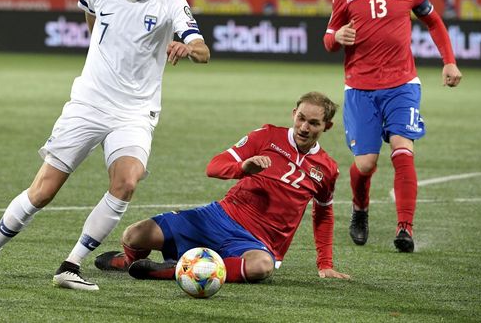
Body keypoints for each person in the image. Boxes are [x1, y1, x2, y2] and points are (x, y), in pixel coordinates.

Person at [0, 0, 211, 291]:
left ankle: (71, 265)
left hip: (135, 112)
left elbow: (203, 49)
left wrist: (188, 49)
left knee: (126, 183)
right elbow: (91, 15)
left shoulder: (172, 1)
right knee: (43, 190)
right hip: (89, 103)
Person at [94, 92, 350, 283]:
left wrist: (325, 263)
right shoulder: (266, 137)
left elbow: (324, 214)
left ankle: (173, 270)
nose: (304, 127)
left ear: (327, 126)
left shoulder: (327, 169)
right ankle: (129, 261)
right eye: (301, 118)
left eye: (314, 123)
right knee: (134, 235)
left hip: (256, 242)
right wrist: (242, 169)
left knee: (261, 267)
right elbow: (214, 166)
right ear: (294, 113)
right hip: (219, 217)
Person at [323, 0, 462, 253]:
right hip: (359, 90)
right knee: (366, 164)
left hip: (402, 85)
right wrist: (336, 38)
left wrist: (449, 61)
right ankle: (360, 208)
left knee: (403, 150)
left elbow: (434, 22)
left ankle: (405, 228)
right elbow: (329, 38)